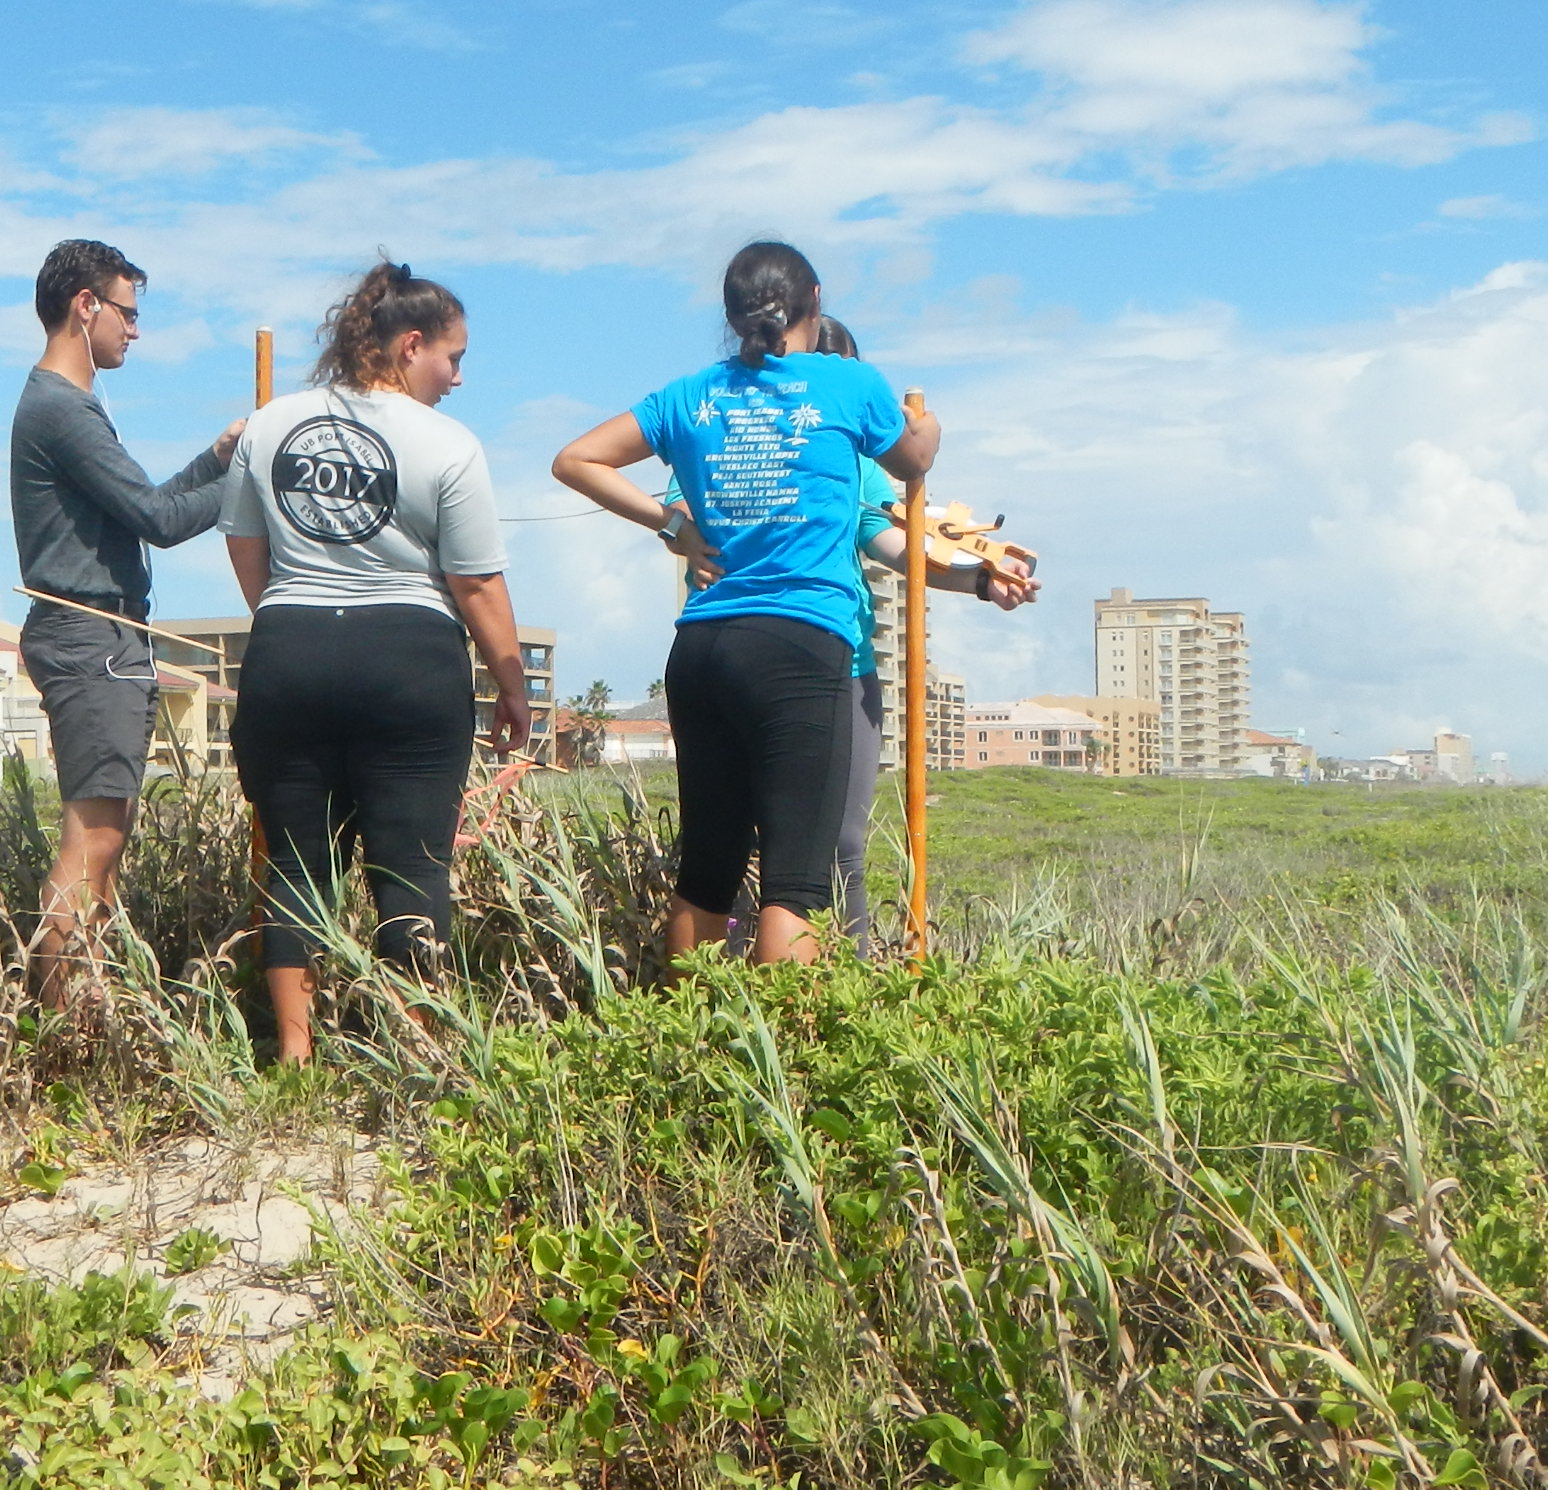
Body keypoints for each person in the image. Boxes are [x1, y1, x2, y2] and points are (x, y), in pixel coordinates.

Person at [551, 241, 937, 965]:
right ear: (815, 301)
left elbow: (575, 458)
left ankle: (686, 1045)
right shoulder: (844, 382)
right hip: (799, 641)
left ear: (730, 316)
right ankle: (784, 1066)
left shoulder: (690, 394)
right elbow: (911, 460)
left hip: (701, 649)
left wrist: (672, 524)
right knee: (794, 886)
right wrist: (931, 430)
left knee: (706, 875)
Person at [222, 260, 532, 1064]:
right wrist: (512, 687)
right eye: (452, 359)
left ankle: (294, 1057)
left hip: (287, 649)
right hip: (409, 658)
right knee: (414, 865)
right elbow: (475, 583)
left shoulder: (271, 423)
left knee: (295, 863)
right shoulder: (450, 444)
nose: (458, 378)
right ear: (409, 346)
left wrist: (292, 621)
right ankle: (413, 1054)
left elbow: (246, 546)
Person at [8, 237, 244, 990]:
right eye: (126, 312)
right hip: (90, 638)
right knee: (94, 843)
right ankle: (63, 1039)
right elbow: (163, 521)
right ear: (86, 307)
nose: (133, 330)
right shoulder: (61, 409)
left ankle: (85, 1014)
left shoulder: (64, 407)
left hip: (99, 637)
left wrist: (216, 456)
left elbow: (149, 507)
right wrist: (244, 474)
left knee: (106, 841)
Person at [807, 317, 1034, 949]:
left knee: (842, 844)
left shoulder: (858, 462)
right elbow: (683, 509)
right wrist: (678, 527)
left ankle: (847, 985)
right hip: (752, 652)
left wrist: (982, 580)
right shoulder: (735, 426)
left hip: (843, 660)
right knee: (746, 840)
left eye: (851, 374)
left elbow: (893, 542)